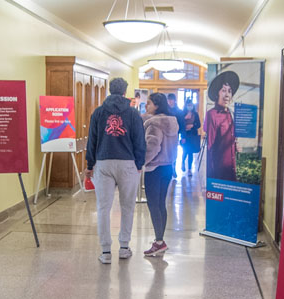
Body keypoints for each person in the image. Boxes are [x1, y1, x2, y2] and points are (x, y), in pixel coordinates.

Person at [85, 77, 147, 264]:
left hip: (104, 162)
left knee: (103, 207)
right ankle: (124, 247)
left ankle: (105, 251)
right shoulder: (133, 114)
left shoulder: (98, 112)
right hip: (127, 163)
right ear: (125, 91)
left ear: (109, 90)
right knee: (127, 206)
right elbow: (140, 142)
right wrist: (139, 164)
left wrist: (90, 165)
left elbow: (92, 140)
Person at [142, 92, 179, 257]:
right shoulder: (172, 122)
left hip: (154, 168)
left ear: (157, 105)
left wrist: (141, 162)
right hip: (168, 167)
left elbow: (153, 146)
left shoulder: (154, 124)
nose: (146, 106)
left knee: (153, 204)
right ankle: (160, 240)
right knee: (161, 203)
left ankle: (158, 242)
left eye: (148, 103)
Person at [204, 70, 240, 182]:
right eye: (223, 90)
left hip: (231, 167)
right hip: (219, 171)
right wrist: (211, 177)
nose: (227, 95)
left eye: (229, 91)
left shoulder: (231, 113)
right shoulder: (212, 115)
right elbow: (210, 147)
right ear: (217, 93)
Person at [180, 99, 201, 175]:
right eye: (188, 105)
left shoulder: (195, 114)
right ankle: (182, 163)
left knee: (190, 153)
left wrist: (192, 126)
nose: (190, 107)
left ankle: (189, 169)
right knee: (185, 151)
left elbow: (198, 125)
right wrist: (185, 119)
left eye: (191, 105)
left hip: (192, 135)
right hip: (185, 135)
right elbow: (180, 124)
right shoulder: (182, 114)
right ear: (186, 106)